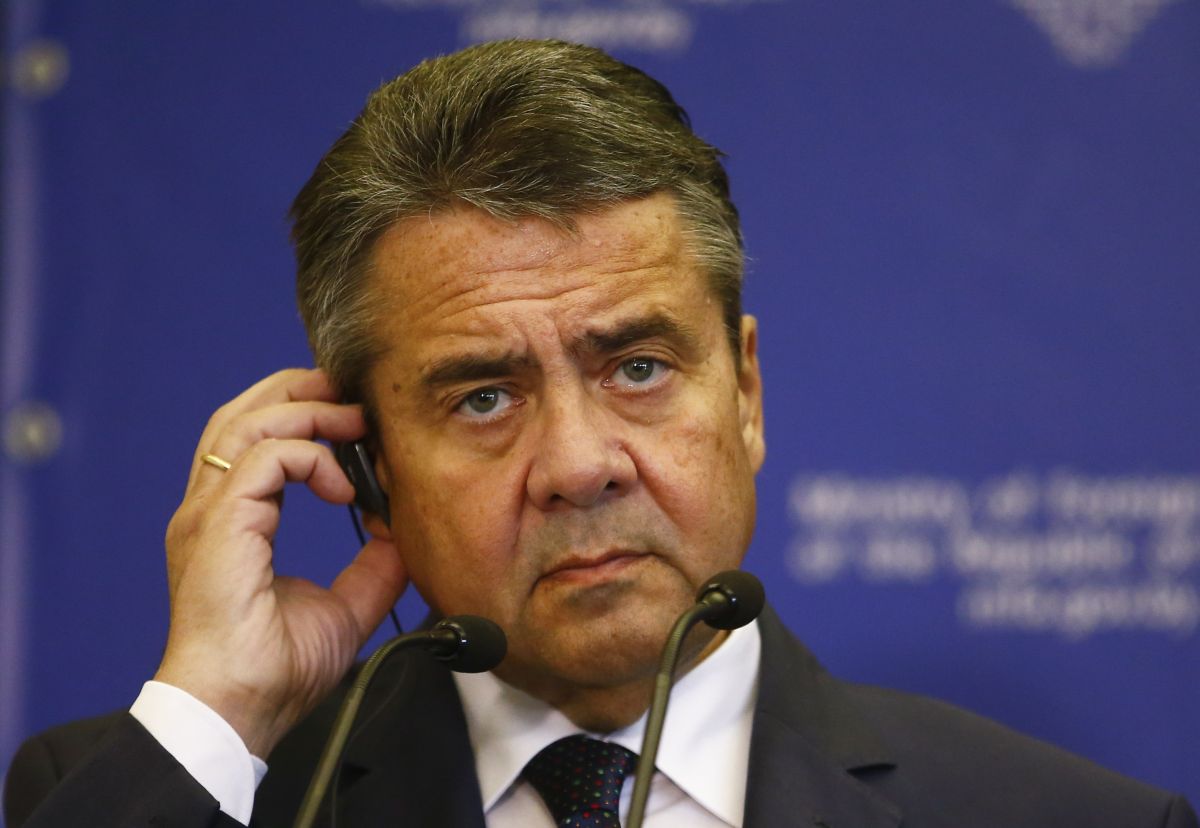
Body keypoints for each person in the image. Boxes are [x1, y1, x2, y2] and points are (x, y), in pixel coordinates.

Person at [3, 39, 1196, 828]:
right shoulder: (186, 793)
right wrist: (217, 716)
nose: (579, 466)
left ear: (745, 395)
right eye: (483, 397)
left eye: (637, 368)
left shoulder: (1063, 818)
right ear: (367, 472)